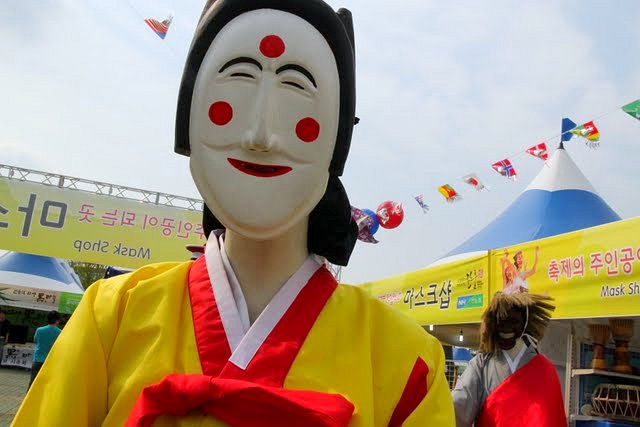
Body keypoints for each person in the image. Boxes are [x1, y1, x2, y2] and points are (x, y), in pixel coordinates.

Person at [13, 1, 454, 425]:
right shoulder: (111, 318)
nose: (260, 134)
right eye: (237, 80)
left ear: (337, 136)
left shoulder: (406, 362)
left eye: (297, 88)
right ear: (189, 118)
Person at [452, 292, 566, 427]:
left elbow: (552, 418)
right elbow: (457, 407)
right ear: (493, 325)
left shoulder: (545, 369)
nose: (506, 329)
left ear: (525, 322)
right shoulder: (481, 365)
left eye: (514, 321)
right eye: (501, 322)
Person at [29, 311, 62, 389]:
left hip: (38, 359)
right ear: (57, 320)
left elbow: (36, 341)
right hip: (51, 361)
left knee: (33, 382)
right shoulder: (60, 332)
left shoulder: (39, 330)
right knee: (47, 384)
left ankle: (29, 400)